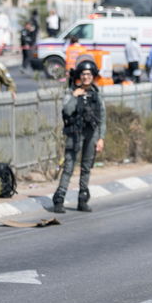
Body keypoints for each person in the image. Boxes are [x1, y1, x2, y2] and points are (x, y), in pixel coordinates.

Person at [52, 59, 105, 214]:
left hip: (91, 134)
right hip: (75, 134)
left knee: (86, 167)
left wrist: (101, 138)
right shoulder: (71, 93)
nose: (86, 77)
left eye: (89, 74)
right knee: (68, 167)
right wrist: (75, 96)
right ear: (79, 76)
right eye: (83, 74)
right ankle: (59, 199)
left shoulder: (96, 95)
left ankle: (82, 198)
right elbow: (67, 111)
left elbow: (102, 118)